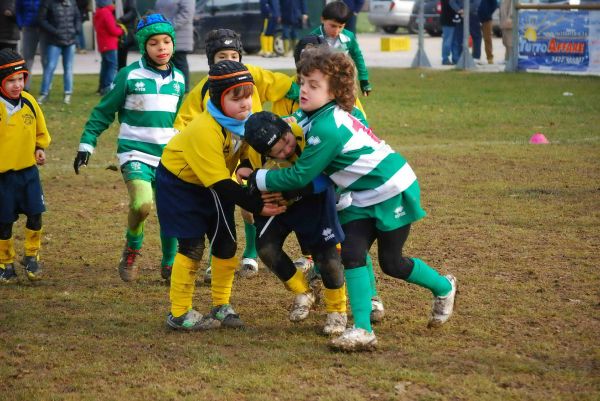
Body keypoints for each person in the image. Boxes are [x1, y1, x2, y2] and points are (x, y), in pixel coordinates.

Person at [249, 47, 457, 351]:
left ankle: (444, 286)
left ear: (334, 91)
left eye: (313, 85)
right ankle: (363, 329)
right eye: (303, 82)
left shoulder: (327, 127)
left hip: (390, 189)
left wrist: (255, 177)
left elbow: (299, 178)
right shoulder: (311, 115)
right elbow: (290, 122)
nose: (303, 90)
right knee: (352, 253)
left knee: (392, 262)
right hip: (360, 196)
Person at [156, 60, 285, 331]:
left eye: (248, 95)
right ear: (217, 98)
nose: (245, 103)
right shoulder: (204, 128)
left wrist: (254, 171)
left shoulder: (246, 123)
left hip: (216, 182)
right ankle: (179, 314)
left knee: (226, 243)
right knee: (192, 247)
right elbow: (220, 182)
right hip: (180, 185)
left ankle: (221, 306)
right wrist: (256, 204)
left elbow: (249, 158)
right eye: (235, 98)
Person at [270, 34, 386, 325]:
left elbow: (358, 142)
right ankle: (329, 289)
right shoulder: (303, 108)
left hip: (345, 189)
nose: (307, 85)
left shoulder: (345, 110)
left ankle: (371, 298)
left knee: (352, 245)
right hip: (318, 190)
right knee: (331, 248)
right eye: (304, 76)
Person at [173, 28, 296, 282]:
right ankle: (215, 262)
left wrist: (302, 95)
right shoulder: (205, 88)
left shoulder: (252, 75)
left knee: (251, 207)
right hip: (219, 155)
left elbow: (281, 84)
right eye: (221, 57)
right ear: (211, 62)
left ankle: (250, 255)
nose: (229, 60)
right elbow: (184, 121)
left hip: (251, 152)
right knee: (223, 208)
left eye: (234, 55)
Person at [73, 14, 184, 283]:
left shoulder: (179, 79)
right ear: (144, 46)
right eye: (154, 43)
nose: (162, 48)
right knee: (142, 203)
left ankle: (170, 264)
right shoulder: (129, 75)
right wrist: (87, 143)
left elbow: (182, 120)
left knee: (171, 211)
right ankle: (132, 250)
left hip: (168, 157)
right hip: (135, 153)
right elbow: (103, 112)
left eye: (166, 41)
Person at [242, 111, 348, 335]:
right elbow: (253, 178)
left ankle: (337, 311)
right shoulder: (255, 152)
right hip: (278, 202)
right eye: (278, 151)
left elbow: (329, 174)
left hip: (314, 196)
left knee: (328, 259)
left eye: (287, 141)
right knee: (266, 249)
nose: (287, 150)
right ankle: (303, 292)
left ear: (288, 129)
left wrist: (293, 191)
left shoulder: (309, 134)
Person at [0, 49, 50, 283]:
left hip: (28, 173)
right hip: (3, 178)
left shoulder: (29, 102)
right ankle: (5, 262)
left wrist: (40, 148)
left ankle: (31, 256)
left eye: (21, 78)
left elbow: (41, 132)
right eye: (10, 80)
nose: (17, 84)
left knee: (36, 215)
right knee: (4, 222)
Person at [311, 0, 371, 97]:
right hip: (320, 84)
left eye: (341, 26)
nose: (336, 31)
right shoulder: (313, 38)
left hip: (343, 83)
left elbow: (357, 56)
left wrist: (364, 79)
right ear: (322, 19)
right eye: (333, 26)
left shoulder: (349, 37)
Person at [37, 0, 82, 105]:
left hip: (70, 40)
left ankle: (68, 94)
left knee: (68, 67)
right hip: (54, 41)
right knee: (50, 66)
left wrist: (77, 29)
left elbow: (78, 17)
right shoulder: (48, 2)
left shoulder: (72, 2)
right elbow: (41, 20)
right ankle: (44, 93)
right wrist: (55, 31)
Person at [154, 0, 195, 92]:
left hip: (179, 35)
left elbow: (186, 14)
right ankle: (169, 86)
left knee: (179, 61)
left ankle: (184, 88)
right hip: (164, 33)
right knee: (166, 62)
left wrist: (168, 26)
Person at [93, 0, 124, 95]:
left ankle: (102, 87)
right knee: (112, 66)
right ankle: (108, 88)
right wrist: (121, 30)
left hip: (103, 44)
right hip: (110, 44)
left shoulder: (97, 13)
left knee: (105, 66)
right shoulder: (107, 13)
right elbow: (113, 30)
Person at [16, 0, 46, 91]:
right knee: (27, 59)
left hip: (45, 29)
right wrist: (21, 24)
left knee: (46, 60)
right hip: (28, 28)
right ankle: (26, 87)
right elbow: (18, 10)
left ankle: (45, 89)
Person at [116, 0, 137, 69]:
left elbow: (133, 12)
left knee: (121, 54)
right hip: (116, 28)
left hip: (125, 30)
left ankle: (121, 72)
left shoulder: (129, 2)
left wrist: (121, 19)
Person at [478, 0, 498, 64]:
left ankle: (489, 57)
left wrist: (488, 12)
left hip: (486, 18)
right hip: (474, 17)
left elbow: (494, 4)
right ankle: (476, 57)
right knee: (476, 38)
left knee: (487, 38)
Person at [440, 0, 459, 65]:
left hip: (455, 20)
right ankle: (445, 59)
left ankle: (455, 58)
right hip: (447, 20)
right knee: (447, 41)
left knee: (455, 41)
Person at [499, 0, 513, 64]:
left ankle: (511, 59)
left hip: (509, 22)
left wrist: (510, 17)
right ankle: (506, 58)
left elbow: (512, 8)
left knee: (510, 42)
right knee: (505, 42)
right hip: (503, 22)